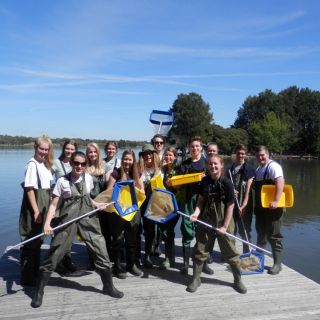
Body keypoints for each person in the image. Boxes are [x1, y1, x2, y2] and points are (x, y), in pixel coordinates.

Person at [30, 151, 123, 308]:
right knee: (55, 252)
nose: (79, 166)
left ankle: (108, 286)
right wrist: (47, 224)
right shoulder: (62, 182)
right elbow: (53, 205)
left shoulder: (88, 178)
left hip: (88, 218)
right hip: (68, 219)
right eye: (76, 163)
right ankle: (39, 292)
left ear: (85, 165)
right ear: (71, 164)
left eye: (82, 163)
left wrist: (97, 204)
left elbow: (87, 198)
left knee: (101, 250)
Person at [187, 154, 247, 294]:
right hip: (206, 219)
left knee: (231, 252)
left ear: (221, 166)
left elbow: (231, 206)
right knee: (200, 250)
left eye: (216, 164)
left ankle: (237, 280)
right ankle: (196, 279)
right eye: (210, 164)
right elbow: (200, 200)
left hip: (224, 219)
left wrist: (225, 226)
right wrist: (196, 213)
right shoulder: (204, 181)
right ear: (207, 166)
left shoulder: (227, 183)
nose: (213, 166)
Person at [19, 135, 54, 287]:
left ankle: (34, 272)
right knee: (30, 241)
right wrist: (35, 211)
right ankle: (27, 277)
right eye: (41, 148)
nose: (44, 152)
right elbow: (29, 188)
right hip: (35, 206)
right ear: (35, 147)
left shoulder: (44, 164)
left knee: (38, 240)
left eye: (46, 149)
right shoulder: (32, 164)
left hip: (44, 203)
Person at [106, 149, 144, 278]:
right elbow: (108, 191)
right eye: (125, 159)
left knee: (132, 237)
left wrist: (137, 188)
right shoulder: (115, 173)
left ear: (133, 161)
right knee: (117, 238)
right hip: (118, 210)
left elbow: (142, 191)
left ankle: (131, 264)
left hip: (133, 210)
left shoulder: (137, 173)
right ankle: (117, 266)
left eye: (130, 159)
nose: (127, 162)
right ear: (122, 160)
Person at [178, 136, 208, 275]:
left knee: (202, 232)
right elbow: (179, 183)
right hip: (188, 200)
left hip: (204, 201)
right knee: (187, 231)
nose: (194, 148)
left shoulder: (207, 164)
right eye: (192, 146)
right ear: (189, 148)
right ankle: (185, 264)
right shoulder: (184, 164)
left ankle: (203, 262)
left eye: (197, 146)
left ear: (201, 147)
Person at [254, 145, 285, 275]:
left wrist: (276, 201)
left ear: (268, 154)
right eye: (258, 155)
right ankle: (258, 261)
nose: (260, 157)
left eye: (263, 155)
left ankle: (277, 264)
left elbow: (280, 182)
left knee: (274, 235)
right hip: (261, 208)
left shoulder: (273, 166)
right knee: (261, 234)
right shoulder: (259, 169)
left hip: (273, 208)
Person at [52, 139, 78, 274]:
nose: (69, 151)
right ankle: (56, 261)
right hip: (60, 204)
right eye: (67, 149)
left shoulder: (76, 163)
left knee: (70, 232)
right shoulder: (56, 163)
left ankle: (67, 258)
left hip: (73, 204)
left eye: (72, 149)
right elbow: (47, 177)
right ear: (64, 149)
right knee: (59, 232)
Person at [226, 144, 255, 253]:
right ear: (235, 153)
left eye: (243, 153)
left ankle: (246, 253)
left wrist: (244, 205)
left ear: (246, 155)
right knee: (231, 228)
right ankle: (231, 252)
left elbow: (248, 188)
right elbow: (225, 184)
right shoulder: (229, 168)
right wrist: (230, 190)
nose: (240, 155)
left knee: (245, 229)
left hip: (244, 203)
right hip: (231, 204)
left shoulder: (249, 169)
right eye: (238, 153)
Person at [138, 143, 161, 268]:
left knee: (150, 231)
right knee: (137, 228)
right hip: (139, 203)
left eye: (150, 153)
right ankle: (135, 255)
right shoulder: (137, 168)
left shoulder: (159, 169)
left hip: (152, 204)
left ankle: (147, 256)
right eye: (146, 154)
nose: (148, 156)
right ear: (142, 156)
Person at [158, 146, 180, 269]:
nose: (168, 157)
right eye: (166, 155)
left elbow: (180, 187)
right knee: (165, 231)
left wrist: (174, 183)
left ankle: (168, 259)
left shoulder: (179, 169)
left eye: (170, 155)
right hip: (163, 204)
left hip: (175, 204)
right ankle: (169, 258)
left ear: (175, 157)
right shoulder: (163, 169)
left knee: (168, 230)